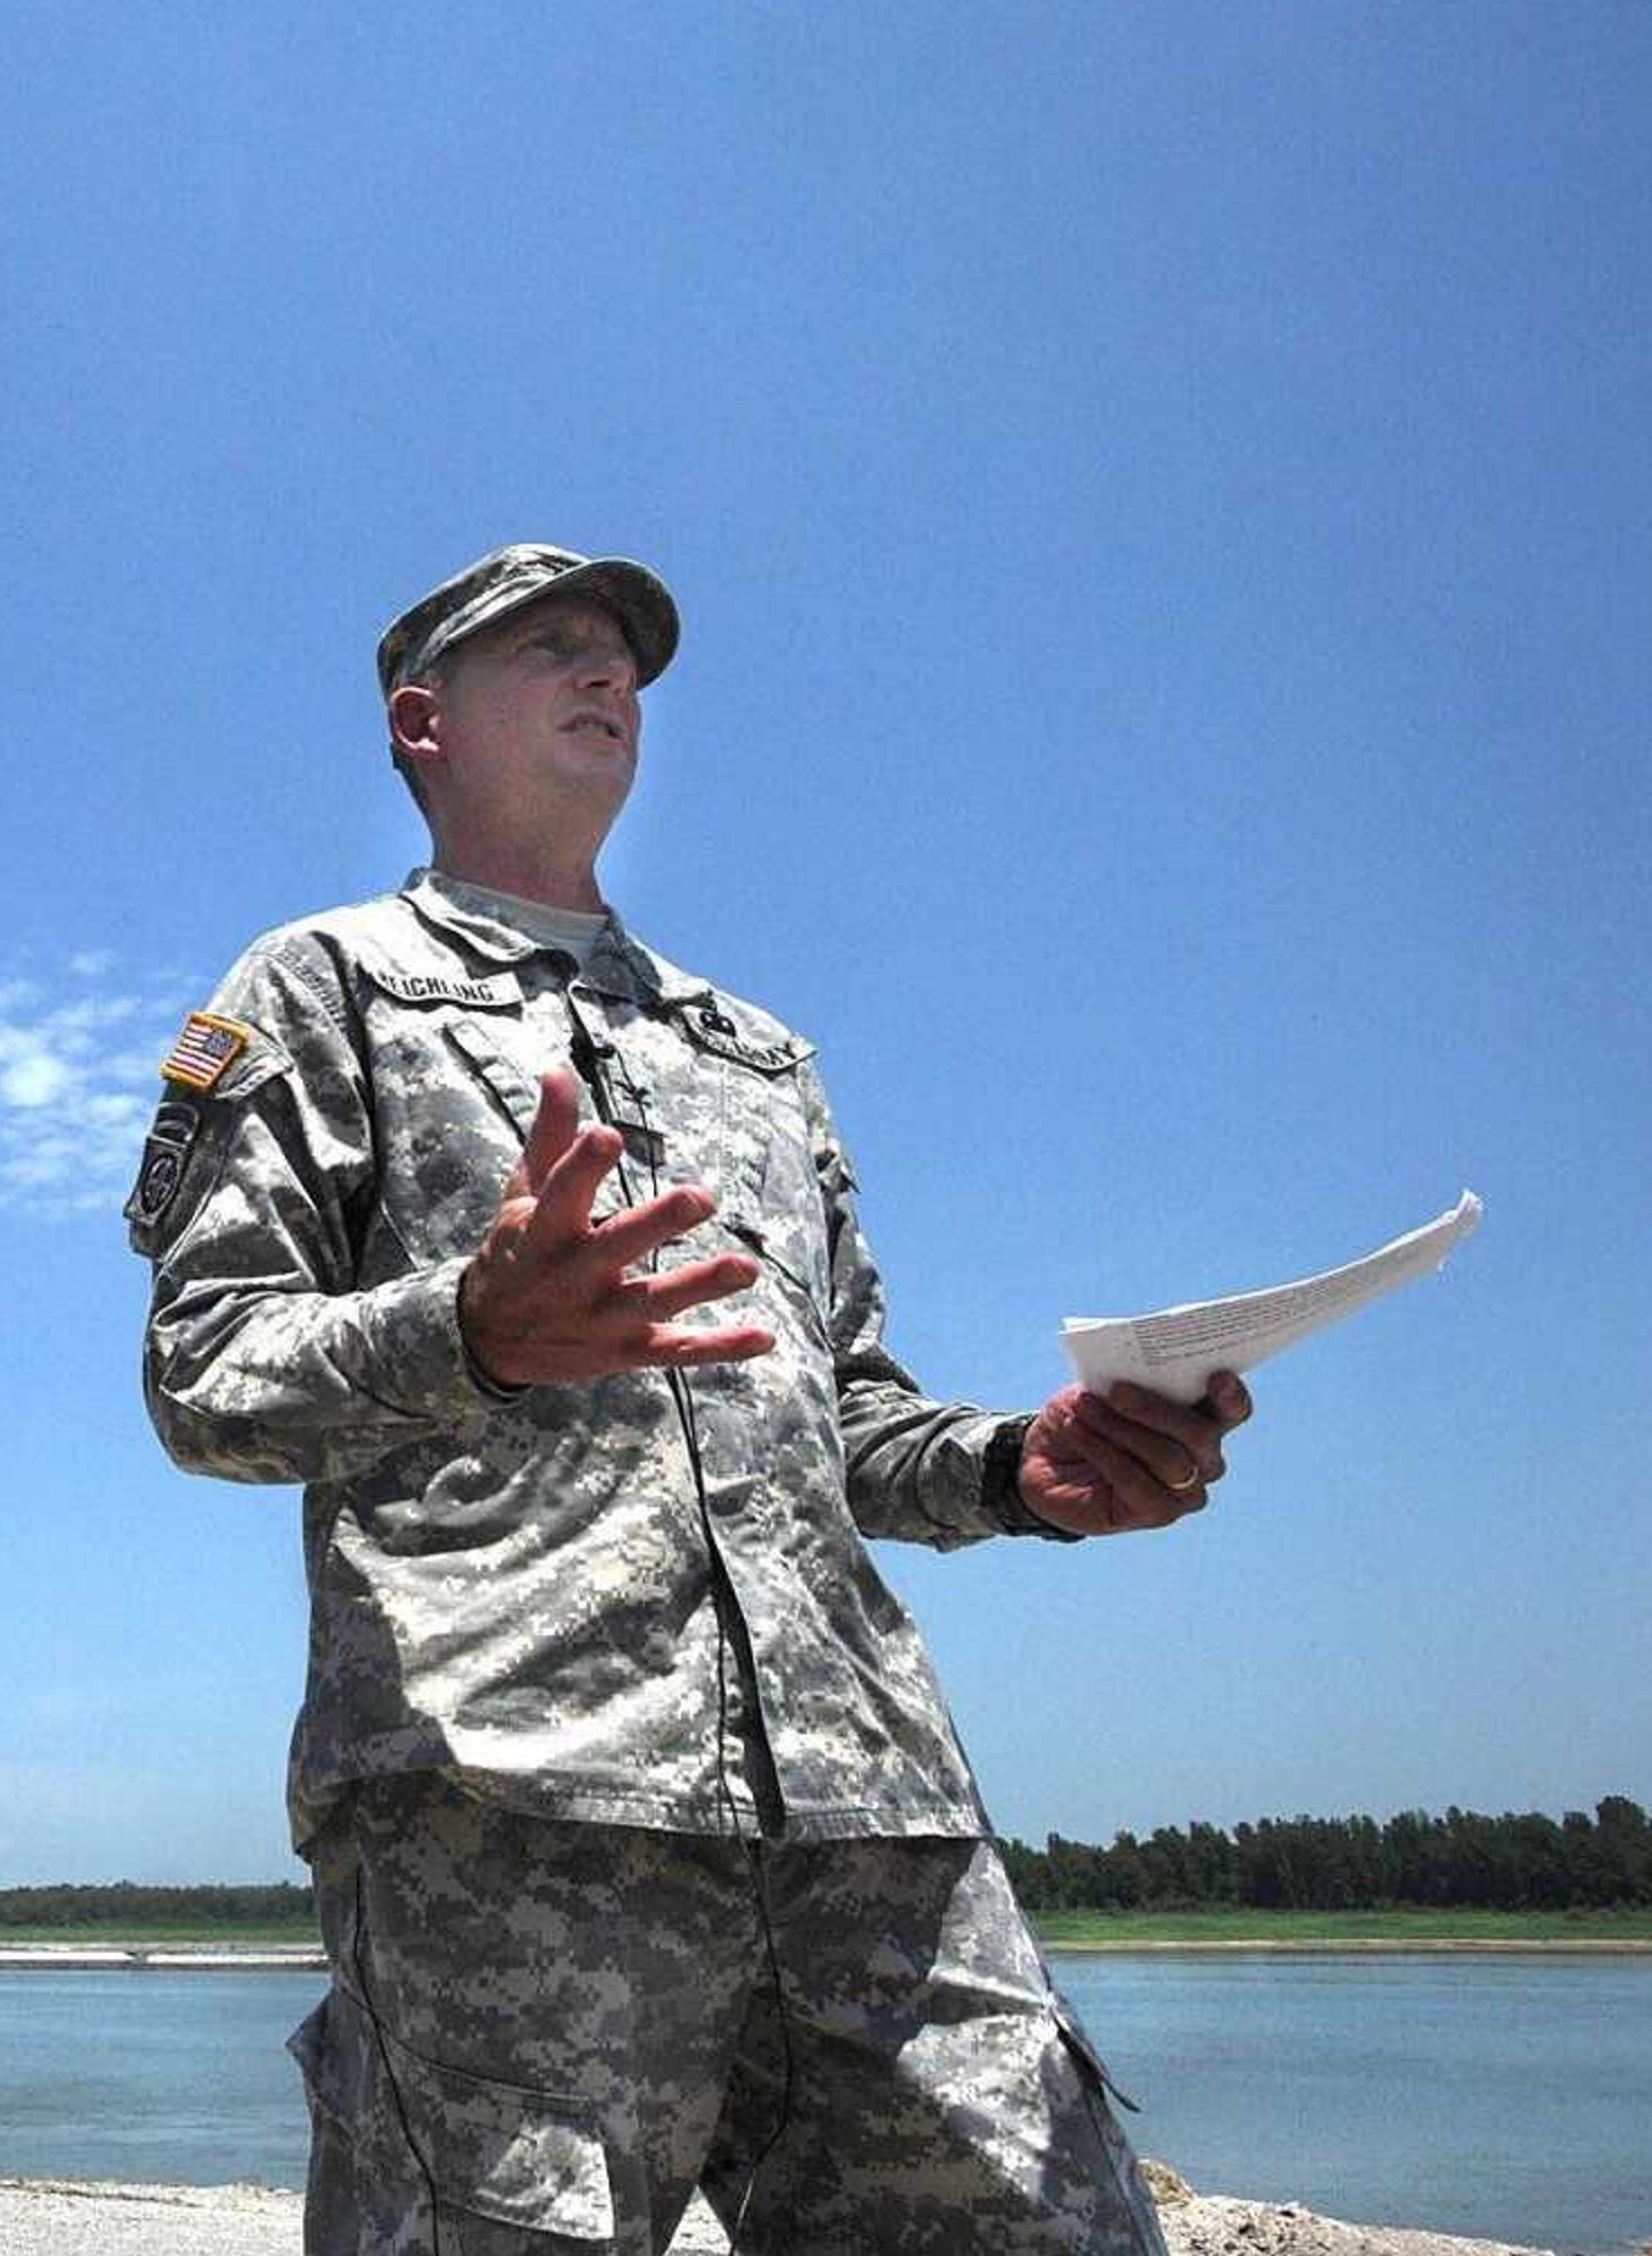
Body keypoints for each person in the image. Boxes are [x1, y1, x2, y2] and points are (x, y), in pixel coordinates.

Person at [128, 544, 1251, 2255]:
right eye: (556, 647)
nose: (609, 679)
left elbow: (848, 1421)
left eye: (628, 662)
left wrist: (1030, 1467)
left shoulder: (754, 1053)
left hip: (872, 1813)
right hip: (511, 1811)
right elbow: (207, 1375)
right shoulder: (320, 988)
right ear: (420, 725)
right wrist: (475, 1330)